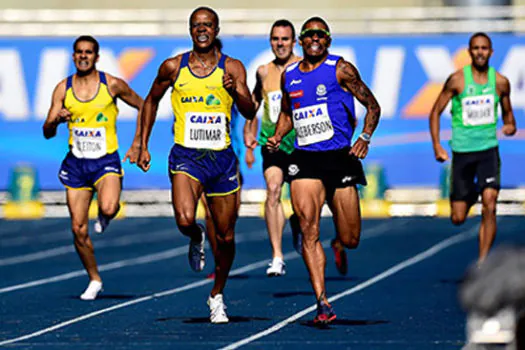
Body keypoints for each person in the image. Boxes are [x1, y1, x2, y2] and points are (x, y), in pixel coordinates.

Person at [137, 7, 255, 324]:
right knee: (185, 218)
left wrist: (236, 90)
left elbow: (249, 109)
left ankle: (217, 294)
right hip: (186, 156)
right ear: (190, 30)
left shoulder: (232, 67)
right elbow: (150, 100)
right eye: (196, 25)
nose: (202, 30)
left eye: (208, 25)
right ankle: (195, 235)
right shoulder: (174, 67)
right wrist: (141, 142)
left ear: (216, 29)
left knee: (227, 238)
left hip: (222, 159)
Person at [267, 17, 381, 325]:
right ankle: (322, 302)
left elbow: (373, 106)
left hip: (340, 158)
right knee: (308, 228)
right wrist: (278, 135)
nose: (315, 38)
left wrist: (365, 138)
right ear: (300, 41)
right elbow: (288, 114)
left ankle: (338, 244)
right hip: (306, 159)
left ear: (327, 40)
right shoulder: (289, 75)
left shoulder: (340, 68)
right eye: (309, 34)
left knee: (352, 237)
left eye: (321, 34)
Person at [42, 35, 143, 300]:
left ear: (97, 57)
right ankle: (94, 278)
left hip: (105, 162)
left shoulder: (112, 85)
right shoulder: (63, 89)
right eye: (79, 52)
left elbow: (144, 107)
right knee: (78, 228)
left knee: (109, 207)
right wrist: (56, 121)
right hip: (76, 164)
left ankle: (106, 214)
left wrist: (137, 144)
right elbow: (47, 132)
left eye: (88, 52)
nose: (83, 56)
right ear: (73, 56)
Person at [429, 32, 516, 264]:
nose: (480, 52)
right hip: (462, 153)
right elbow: (435, 112)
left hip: (488, 150)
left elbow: (509, 115)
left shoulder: (500, 82)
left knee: (490, 203)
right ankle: (470, 193)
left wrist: (509, 126)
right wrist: (437, 145)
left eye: (484, 48)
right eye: (476, 48)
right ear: (469, 52)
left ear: (491, 52)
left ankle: (482, 263)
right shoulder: (457, 80)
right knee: (457, 218)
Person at [244, 19, 302, 277]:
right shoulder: (264, 71)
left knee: (302, 204)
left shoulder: (304, 68)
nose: (280, 44)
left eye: (285, 39)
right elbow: (254, 101)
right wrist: (249, 132)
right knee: (273, 189)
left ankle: (298, 224)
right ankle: (277, 255)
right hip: (272, 142)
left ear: (294, 42)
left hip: (301, 144)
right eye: (276, 39)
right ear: (271, 41)